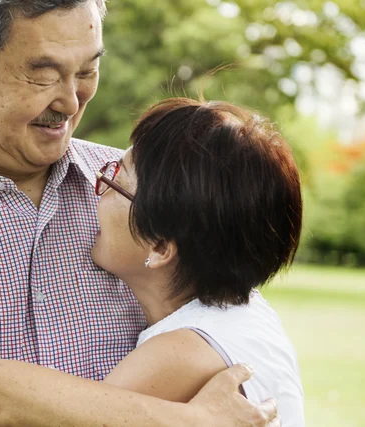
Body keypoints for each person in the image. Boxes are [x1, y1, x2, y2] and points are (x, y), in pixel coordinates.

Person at [0, 1, 280, 426]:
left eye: (88, 69)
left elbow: (230, 323)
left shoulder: (140, 193)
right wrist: (187, 422)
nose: (71, 100)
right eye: (42, 74)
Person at [93, 98, 305, 425]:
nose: (97, 194)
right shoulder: (242, 318)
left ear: (160, 245)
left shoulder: (180, 354)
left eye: (113, 181)